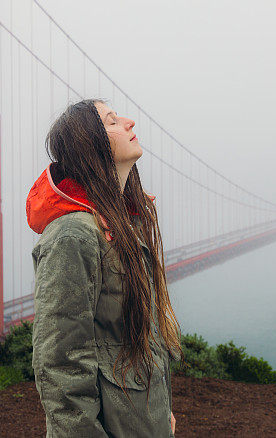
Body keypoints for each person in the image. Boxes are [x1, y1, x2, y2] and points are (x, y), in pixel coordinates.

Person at [26, 98, 184, 437]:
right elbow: (61, 363)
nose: (129, 122)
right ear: (90, 145)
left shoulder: (126, 226)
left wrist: (160, 412)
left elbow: (137, 343)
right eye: (112, 121)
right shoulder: (74, 236)